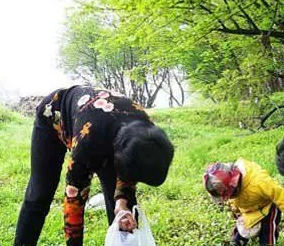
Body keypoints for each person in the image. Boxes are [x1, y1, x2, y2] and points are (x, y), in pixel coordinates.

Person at [14, 85, 174, 246]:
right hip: (54, 114)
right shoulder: (88, 142)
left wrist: (122, 203)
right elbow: (74, 202)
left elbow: (132, 171)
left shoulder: (147, 133)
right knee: (39, 194)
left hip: (111, 132)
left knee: (125, 209)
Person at [203, 158, 284, 246]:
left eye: (231, 194)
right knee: (239, 234)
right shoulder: (229, 189)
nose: (230, 197)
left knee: (268, 231)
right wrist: (235, 210)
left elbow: (277, 192)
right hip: (247, 209)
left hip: (267, 206)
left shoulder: (259, 181)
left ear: (235, 181)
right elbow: (233, 200)